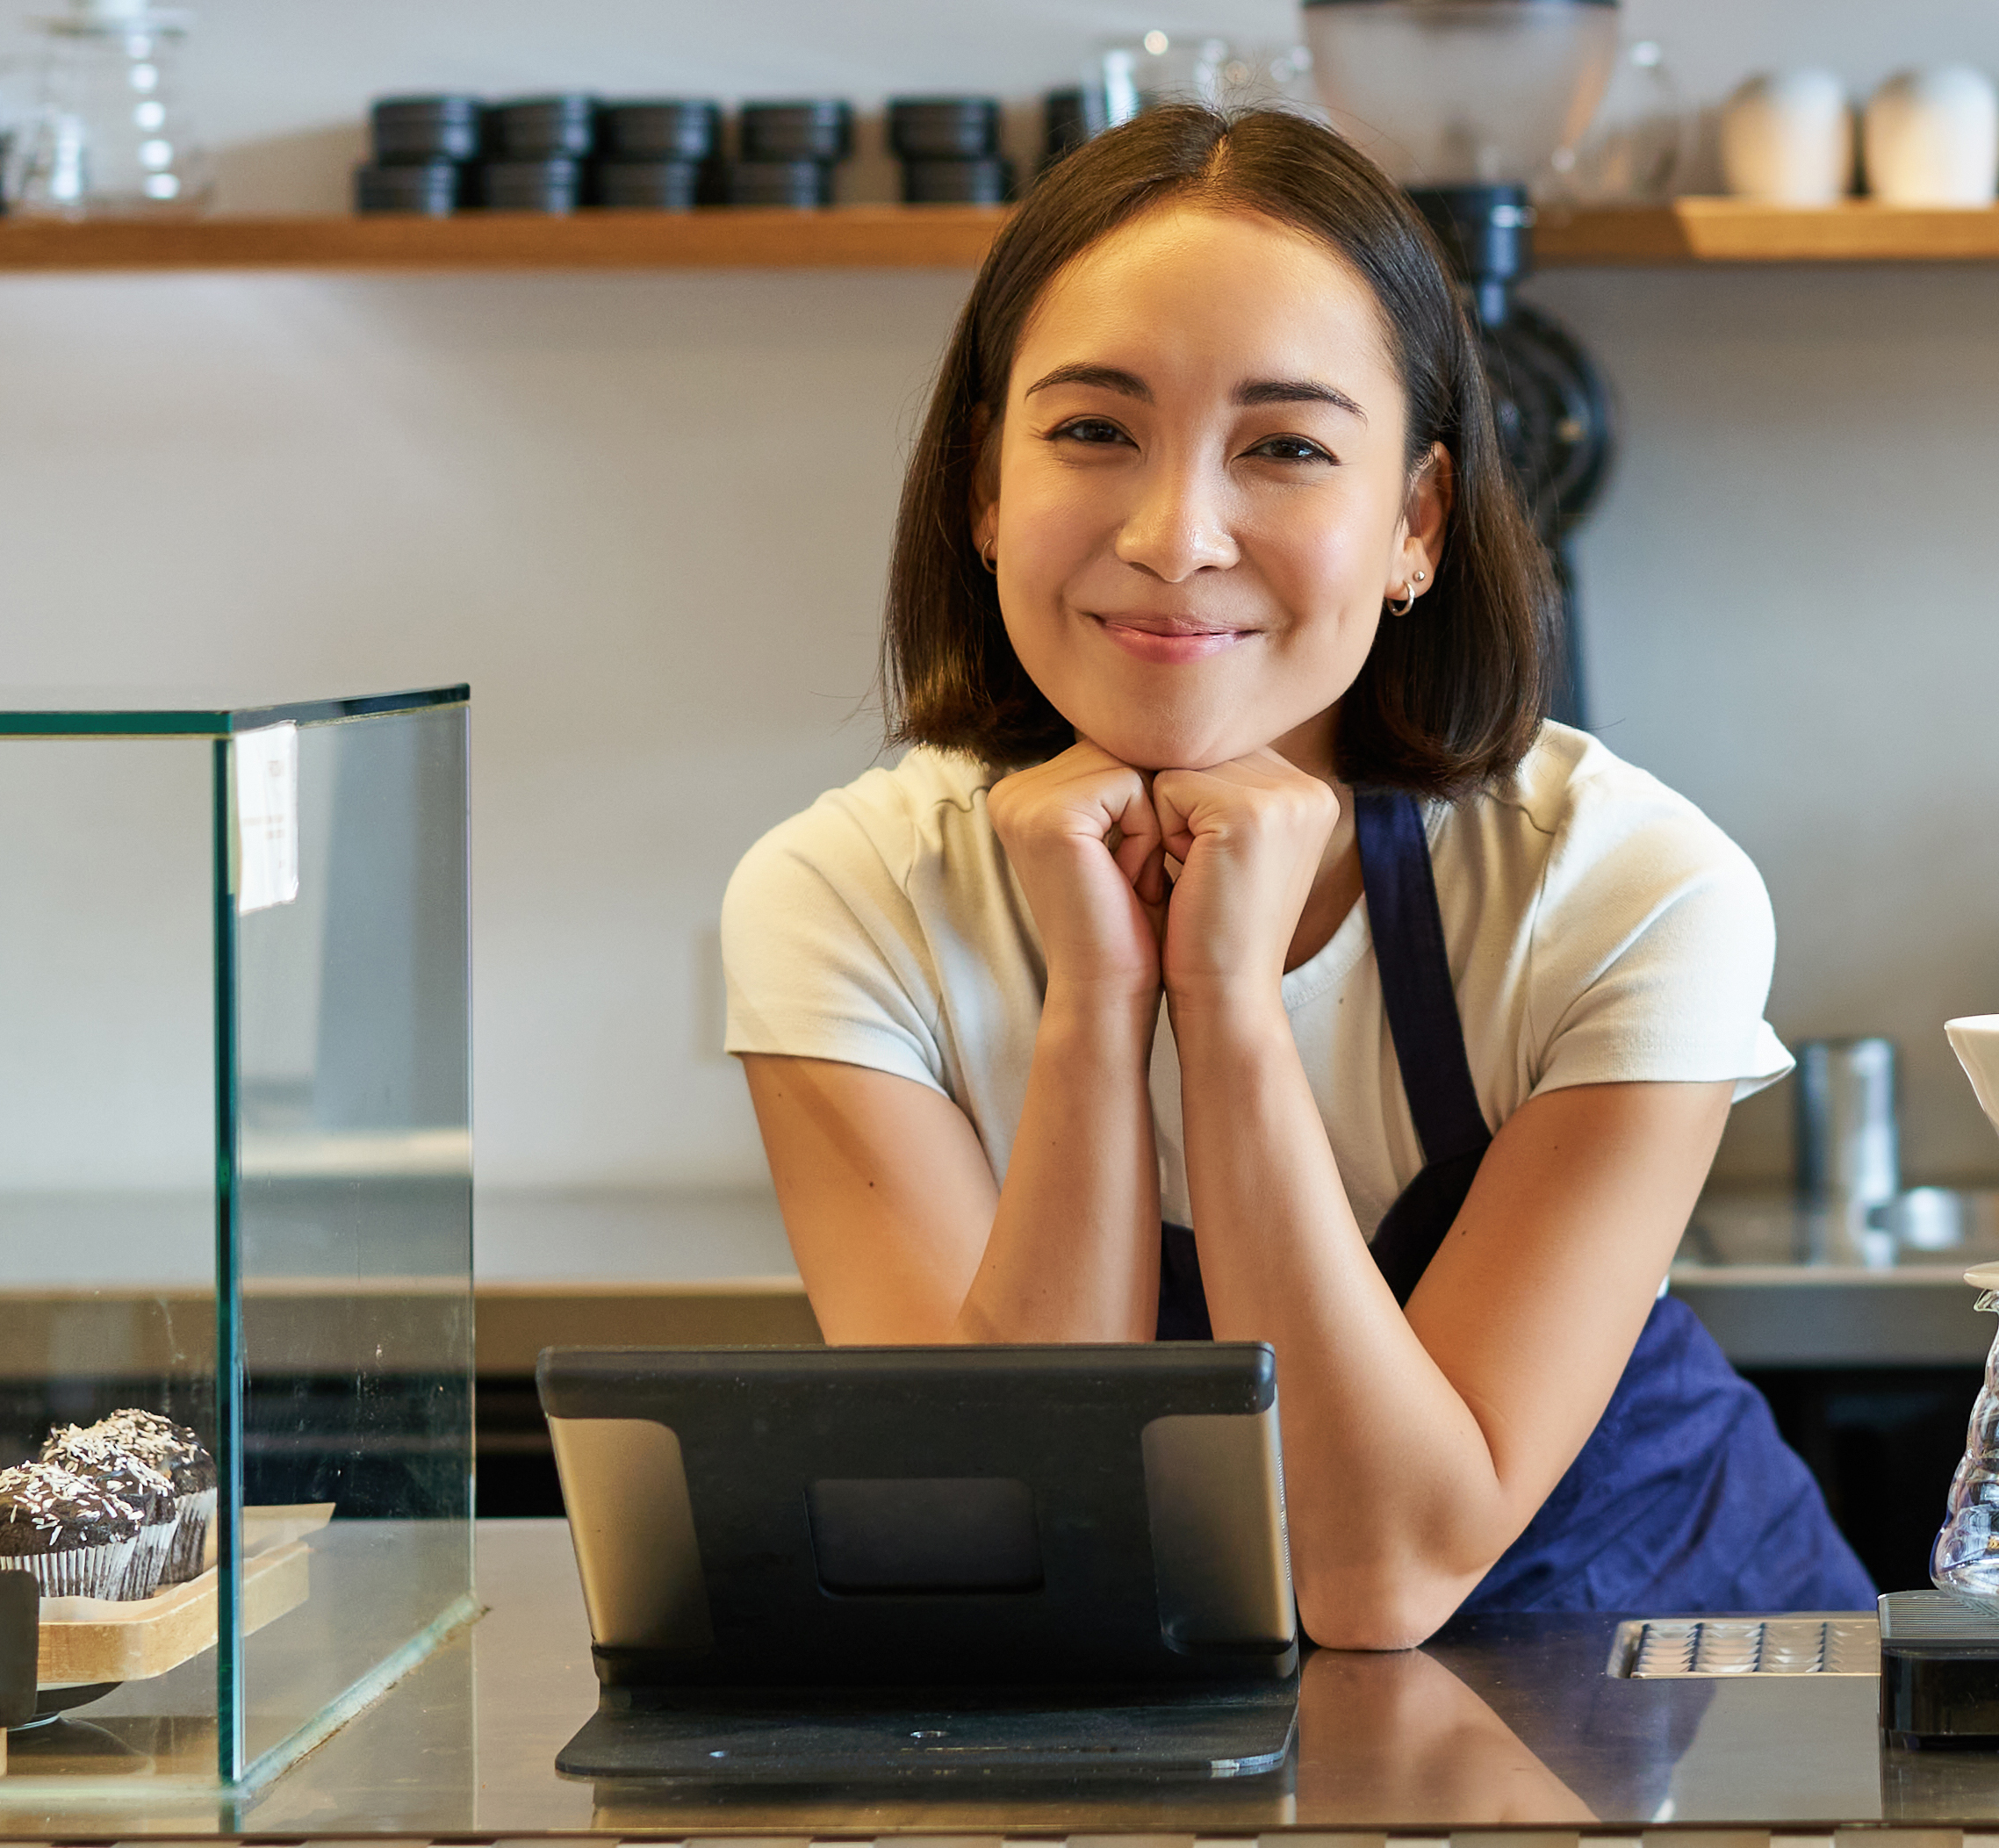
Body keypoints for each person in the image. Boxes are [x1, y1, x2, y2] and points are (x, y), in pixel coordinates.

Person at [718, 107, 1874, 1643]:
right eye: (1090, 430)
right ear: (982, 492)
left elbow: (1376, 1573)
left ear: (1416, 525)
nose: (1175, 533)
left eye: (1286, 448)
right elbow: (1011, 1545)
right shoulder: (844, 900)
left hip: (1685, 1728)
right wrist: (1096, 1007)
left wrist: (1228, 1007)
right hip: (1184, 1757)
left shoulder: (1627, 890)